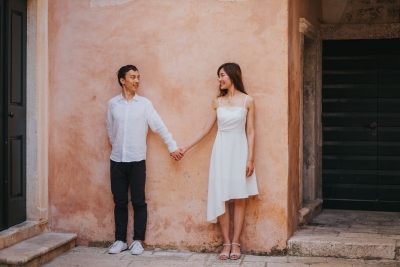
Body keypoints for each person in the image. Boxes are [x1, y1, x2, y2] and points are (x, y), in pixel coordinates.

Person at [179, 63, 259, 260]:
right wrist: (185, 148)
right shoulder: (217, 102)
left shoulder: (248, 101)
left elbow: (251, 131)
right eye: (218, 76)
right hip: (221, 151)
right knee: (223, 195)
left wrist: (251, 158)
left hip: (240, 150)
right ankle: (225, 242)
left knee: (240, 198)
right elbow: (205, 130)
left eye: (222, 75)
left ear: (232, 75)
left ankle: (236, 243)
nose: (220, 79)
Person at [107, 65, 182, 255]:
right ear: (123, 80)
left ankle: (138, 241)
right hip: (117, 160)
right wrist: (117, 146)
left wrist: (172, 146)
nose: (137, 80)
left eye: (138, 77)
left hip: (137, 159)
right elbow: (110, 130)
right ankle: (120, 240)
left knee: (139, 201)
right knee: (120, 201)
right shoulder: (112, 104)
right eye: (132, 77)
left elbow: (159, 126)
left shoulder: (145, 104)